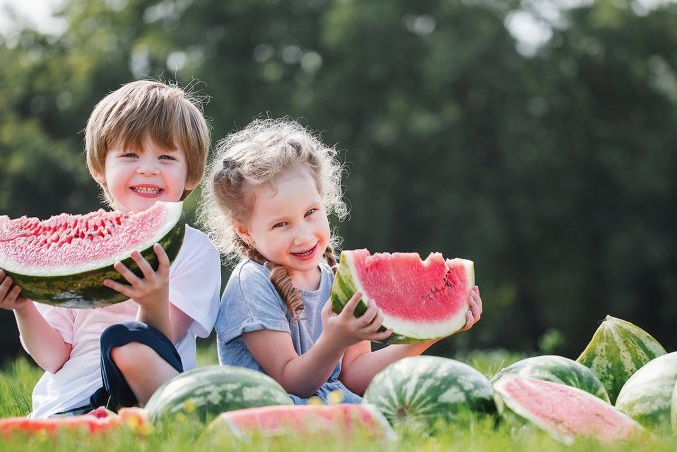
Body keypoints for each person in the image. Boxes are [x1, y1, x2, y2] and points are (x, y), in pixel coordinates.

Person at [199, 117, 482, 404]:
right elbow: (291, 383)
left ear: (323, 199)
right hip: (278, 409)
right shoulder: (252, 284)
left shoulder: (337, 277)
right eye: (281, 224)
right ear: (246, 231)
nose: (303, 235)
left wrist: (430, 333)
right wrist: (334, 341)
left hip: (332, 406)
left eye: (310, 212)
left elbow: (355, 378)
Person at [0, 80, 221, 417]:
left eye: (166, 157)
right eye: (130, 155)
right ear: (99, 170)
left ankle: (150, 419)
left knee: (124, 339)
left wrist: (153, 300)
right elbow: (54, 357)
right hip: (69, 402)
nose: (148, 168)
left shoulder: (194, 250)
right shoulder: (74, 248)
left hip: (150, 393)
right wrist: (22, 307)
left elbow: (160, 345)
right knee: (116, 341)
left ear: (191, 176)